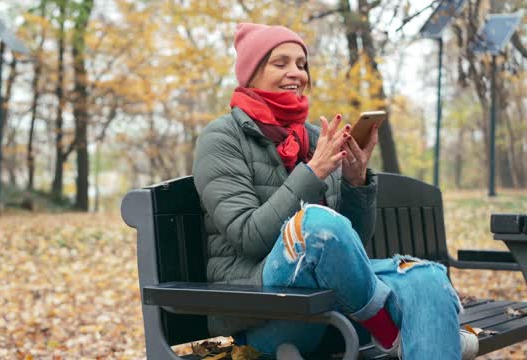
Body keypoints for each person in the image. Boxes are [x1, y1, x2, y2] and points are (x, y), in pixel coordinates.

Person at [192, 22, 478, 359]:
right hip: (264, 314)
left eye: (301, 64)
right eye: (280, 63)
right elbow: (248, 235)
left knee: (425, 278)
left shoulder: (314, 137)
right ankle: (391, 329)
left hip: (332, 309)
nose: (295, 73)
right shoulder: (222, 138)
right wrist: (312, 173)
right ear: (251, 73)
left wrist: (355, 183)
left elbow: (349, 243)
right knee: (315, 224)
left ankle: (425, 336)